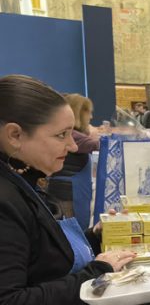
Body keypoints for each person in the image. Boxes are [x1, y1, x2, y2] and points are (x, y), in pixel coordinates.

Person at [0, 75, 136, 305]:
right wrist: (92, 275)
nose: (73, 147)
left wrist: (93, 239)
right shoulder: (4, 200)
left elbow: (41, 258)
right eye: (60, 136)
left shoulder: (25, 178)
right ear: (14, 135)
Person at [48, 94, 100, 231]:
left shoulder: (75, 134)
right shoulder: (73, 136)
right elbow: (96, 145)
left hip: (70, 189)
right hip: (68, 192)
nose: (91, 117)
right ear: (79, 113)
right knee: (72, 231)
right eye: (89, 113)